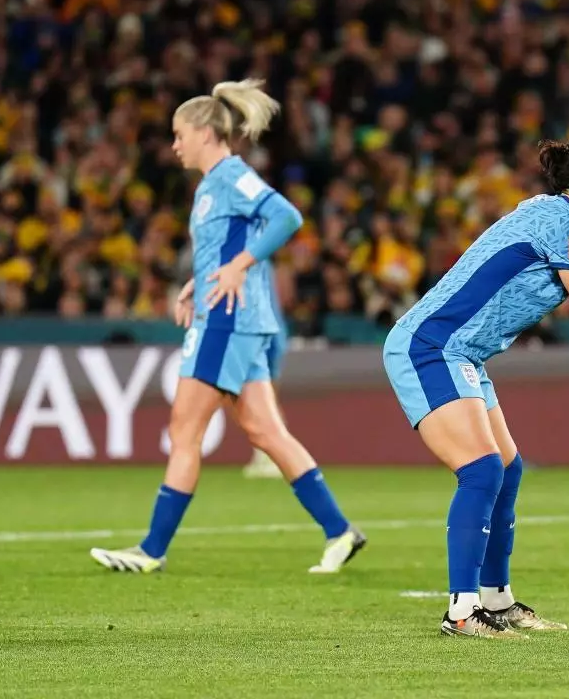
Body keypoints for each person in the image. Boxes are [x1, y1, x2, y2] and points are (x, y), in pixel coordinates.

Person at [89, 79, 366, 575]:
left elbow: (286, 217)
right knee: (266, 432)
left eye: (179, 134)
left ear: (204, 132)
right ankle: (340, 530)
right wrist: (198, 283)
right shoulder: (211, 185)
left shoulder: (231, 175)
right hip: (233, 317)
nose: (174, 144)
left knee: (185, 430)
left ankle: (151, 551)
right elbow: (227, 247)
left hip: (227, 322)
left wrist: (239, 265)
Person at [383, 136, 569, 638]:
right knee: (481, 469)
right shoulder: (557, 221)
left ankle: (496, 601)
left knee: (506, 467)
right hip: (431, 345)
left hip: (464, 353)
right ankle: (461, 611)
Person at [243, 273, 289, 479]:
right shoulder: (253, 263)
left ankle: (277, 457)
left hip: (265, 335)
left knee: (266, 399)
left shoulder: (252, 263)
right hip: (260, 333)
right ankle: (264, 454)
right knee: (257, 400)